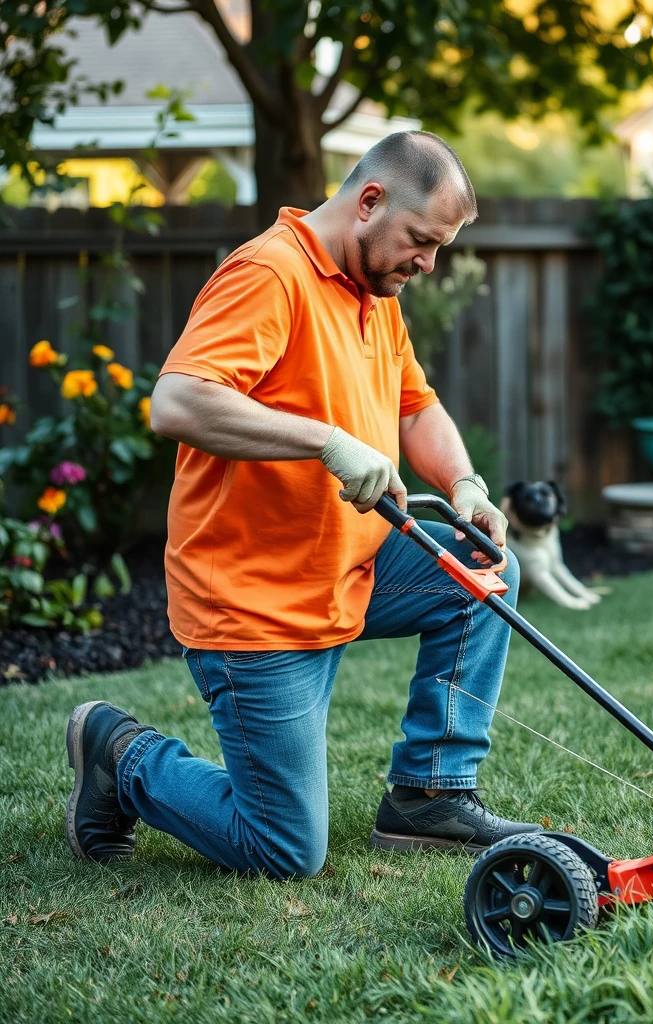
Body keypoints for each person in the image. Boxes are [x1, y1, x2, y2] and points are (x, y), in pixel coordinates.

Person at [64, 131, 540, 877]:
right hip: (256, 607)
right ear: (370, 201)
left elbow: (416, 407)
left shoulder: (370, 289)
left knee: (483, 570)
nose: (428, 263)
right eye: (421, 241)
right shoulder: (270, 273)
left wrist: (466, 487)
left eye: (439, 247)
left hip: (344, 569)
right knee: (285, 849)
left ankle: (430, 795)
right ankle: (121, 755)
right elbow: (179, 403)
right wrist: (323, 440)